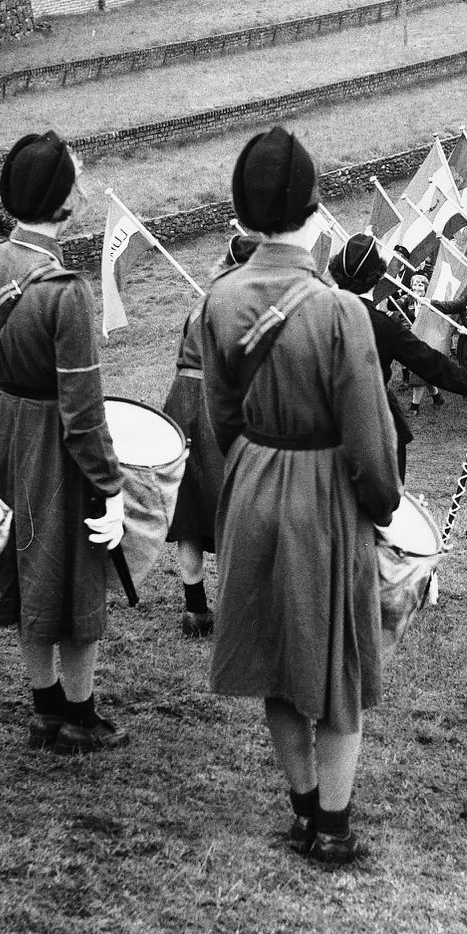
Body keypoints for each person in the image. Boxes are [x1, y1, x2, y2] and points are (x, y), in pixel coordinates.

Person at [201, 128, 401, 864]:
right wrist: (381, 507)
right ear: (317, 212)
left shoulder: (218, 298)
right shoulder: (339, 310)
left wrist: (255, 463)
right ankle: (335, 825)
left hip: (252, 480)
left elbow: (220, 416)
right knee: (339, 659)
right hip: (323, 491)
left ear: (242, 214)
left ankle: (302, 808)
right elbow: (371, 442)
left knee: (277, 656)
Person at [0, 132, 128, 755]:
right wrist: (111, 487)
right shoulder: (65, 289)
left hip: (1, 430)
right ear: (66, 203)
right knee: (75, 571)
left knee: (28, 569)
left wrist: (12, 386)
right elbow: (83, 410)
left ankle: (44, 707)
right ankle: (78, 716)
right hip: (54, 440)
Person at [328, 233, 467, 478]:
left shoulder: (315, 312)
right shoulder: (384, 325)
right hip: (371, 421)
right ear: (378, 277)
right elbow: (432, 364)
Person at [162, 233, 258, 638]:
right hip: (216, 405)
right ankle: (237, 612)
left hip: (180, 403)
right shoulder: (244, 305)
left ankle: (196, 610)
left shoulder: (201, 302)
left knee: (190, 514)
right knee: (233, 508)